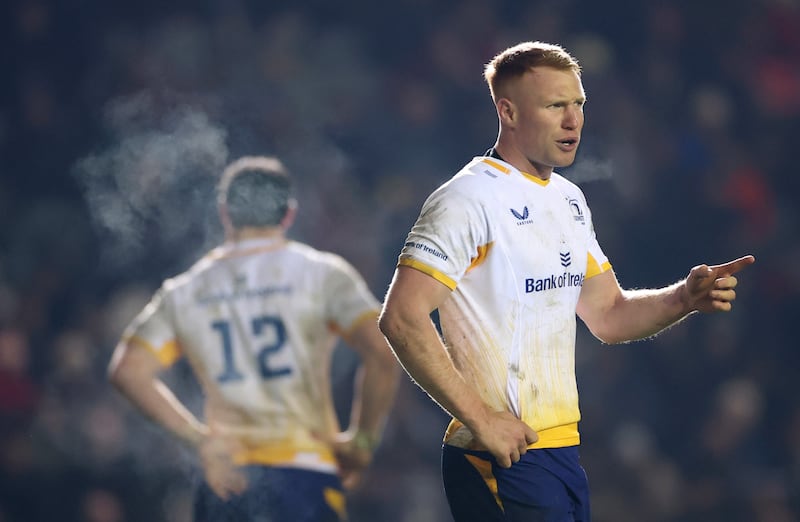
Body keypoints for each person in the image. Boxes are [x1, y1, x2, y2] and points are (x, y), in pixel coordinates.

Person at [378, 41, 755, 522]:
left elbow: (608, 315)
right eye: (555, 105)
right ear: (508, 111)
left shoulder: (569, 199)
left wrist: (683, 297)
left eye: (578, 104)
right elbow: (402, 317)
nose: (573, 120)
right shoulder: (467, 199)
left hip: (559, 452)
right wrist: (482, 419)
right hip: (499, 457)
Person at [108, 155, 399, 522]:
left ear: (224, 212)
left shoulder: (186, 289)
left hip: (228, 478)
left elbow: (127, 371)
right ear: (289, 214)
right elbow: (383, 353)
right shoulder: (322, 274)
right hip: (304, 470)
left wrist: (200, 441)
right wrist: (362, 442)